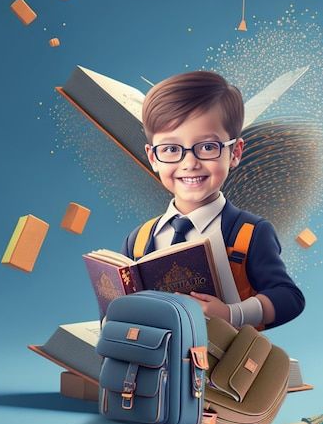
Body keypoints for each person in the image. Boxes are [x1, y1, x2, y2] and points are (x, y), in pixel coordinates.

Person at [120, 70, 305, 330]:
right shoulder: (137, 240)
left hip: (225, 366)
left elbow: (289, 298)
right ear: (152, 158)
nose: (190, 163)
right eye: (171, 149)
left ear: (235, 152)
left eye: (207, 147)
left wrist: (232, 314)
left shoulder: (249, 233)